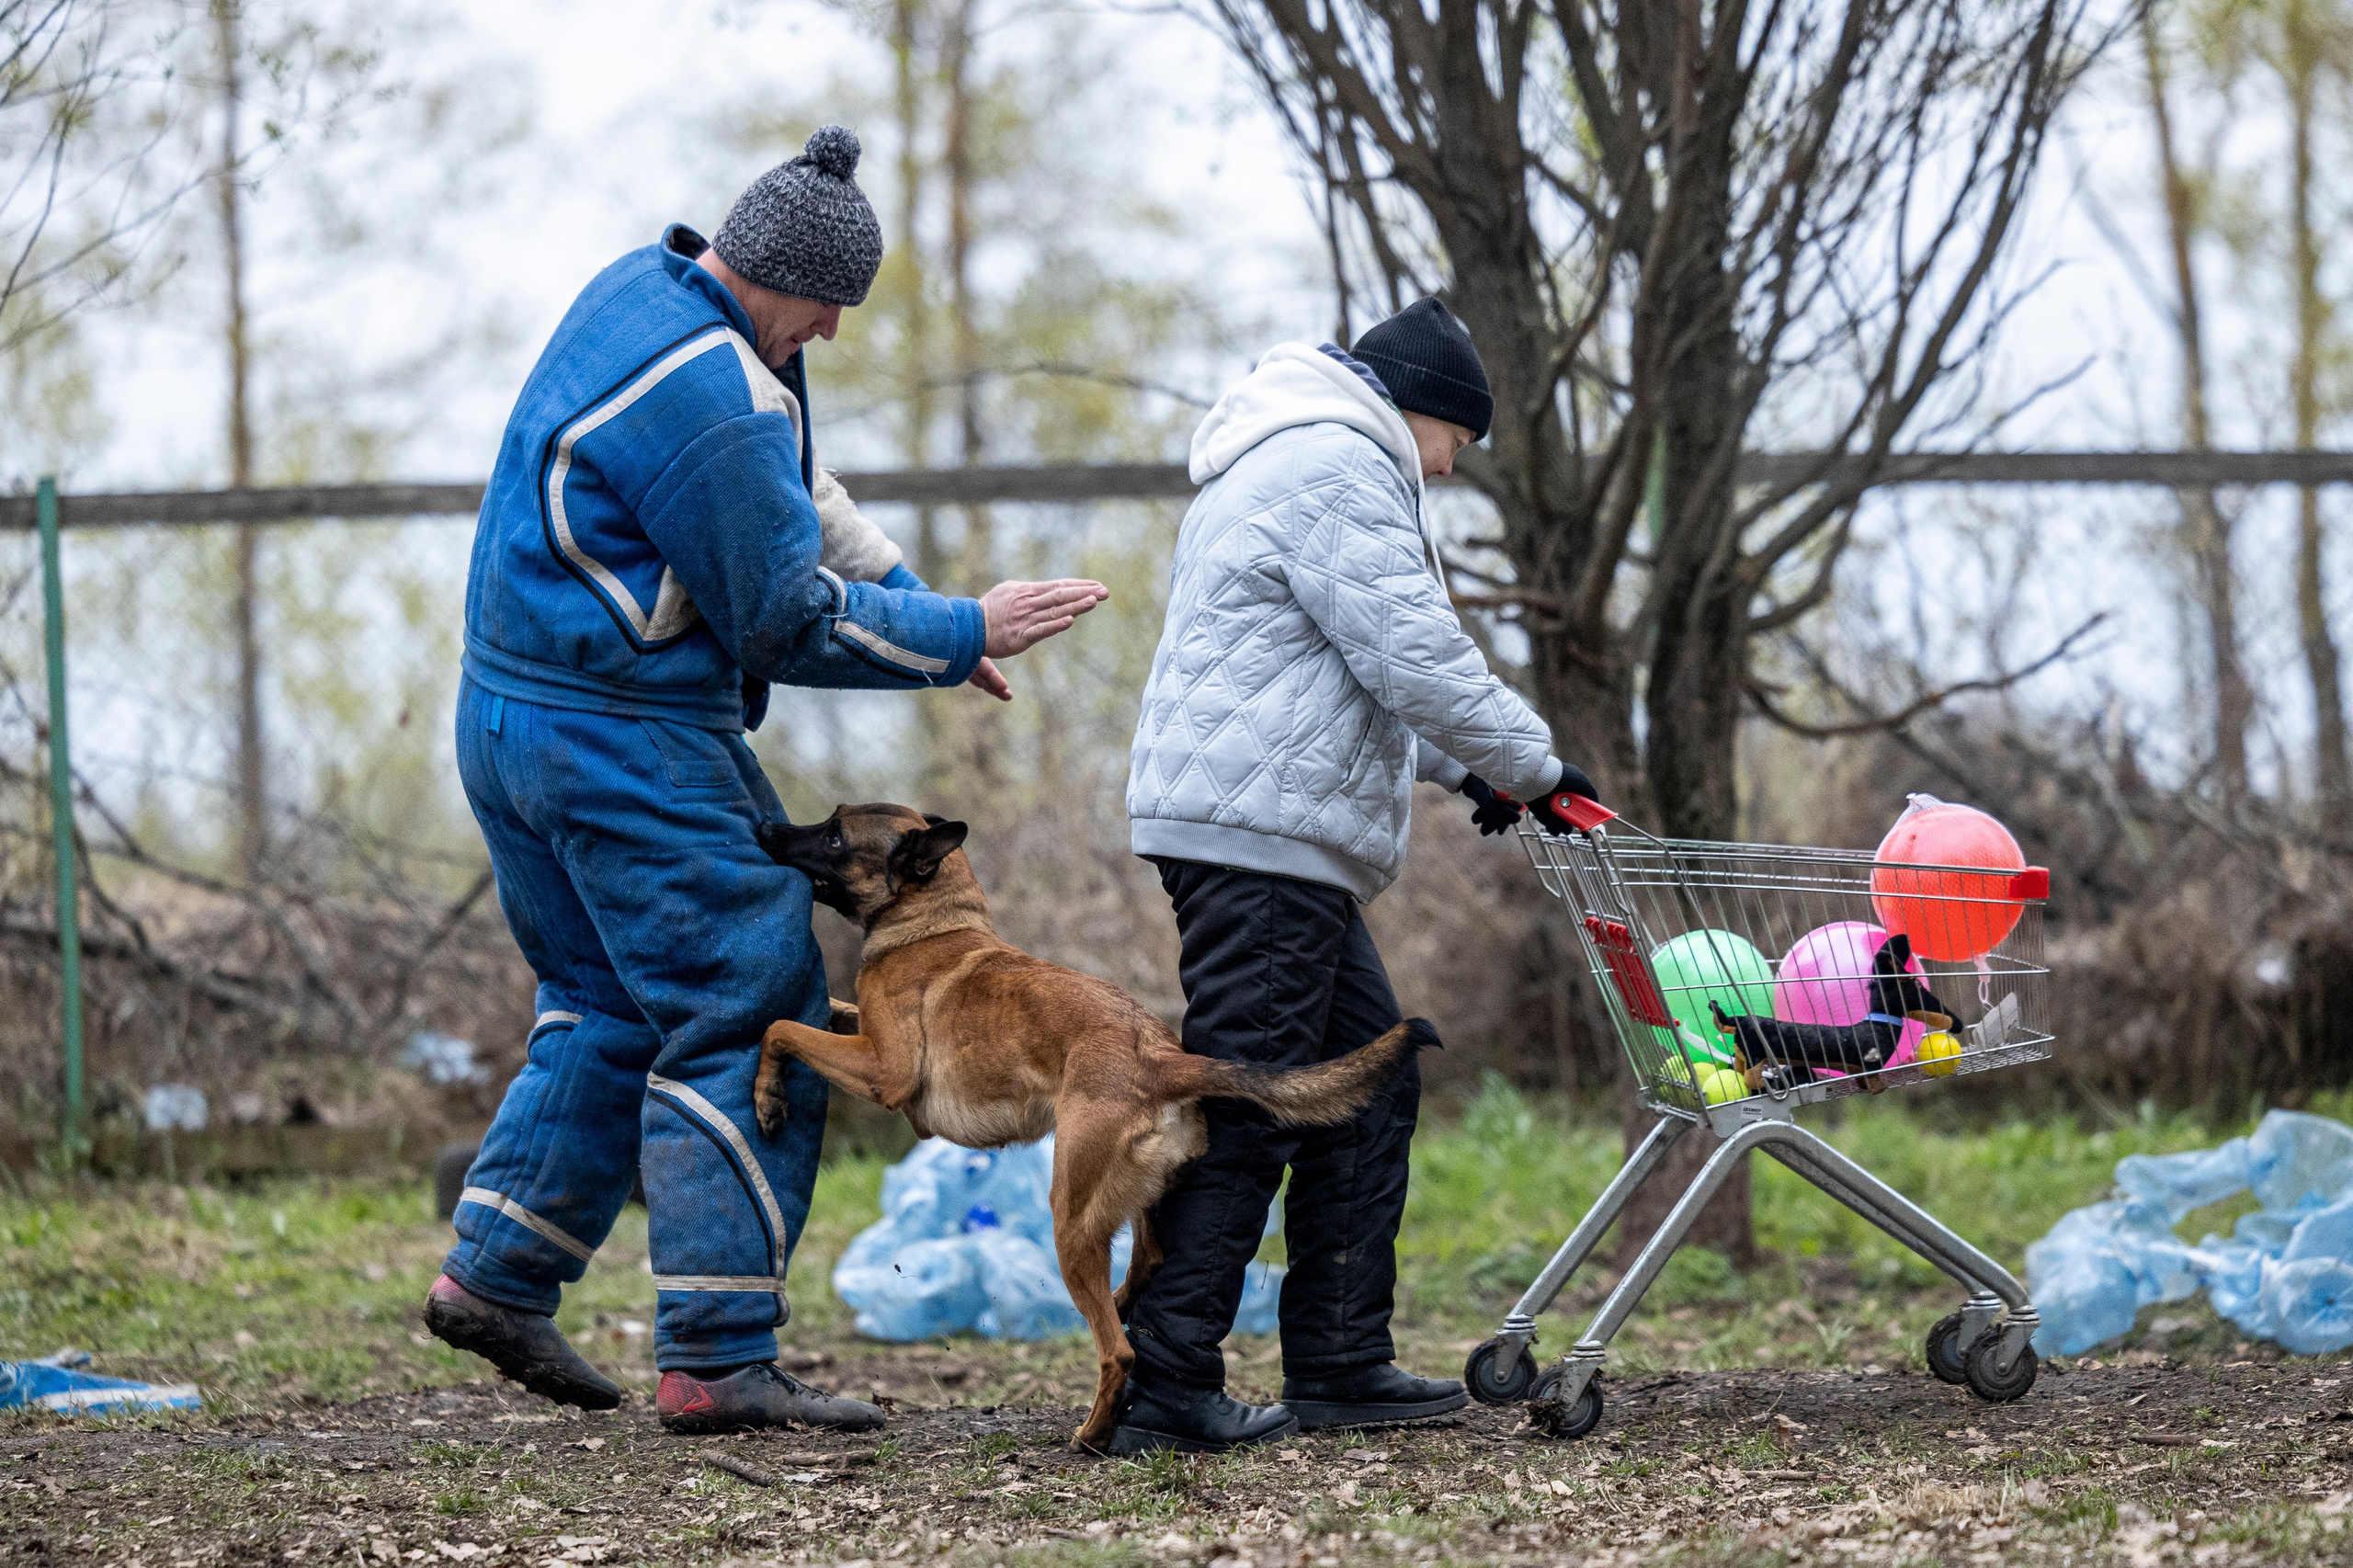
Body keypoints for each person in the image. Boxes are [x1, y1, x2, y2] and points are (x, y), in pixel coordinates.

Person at [424, 125, 1107, 1435]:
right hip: (620, 738)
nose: (834, 336)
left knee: (610, 996)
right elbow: (781, 616)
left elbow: (794, 483)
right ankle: (719, 1355)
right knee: (756, 1001)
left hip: (511, 716)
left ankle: (496, 1273)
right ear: (779, 278)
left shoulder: (647, 295)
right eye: (831, 310)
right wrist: (967, 629)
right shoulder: (714, 395)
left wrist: (917, 608)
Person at [1119, 298, 1593, 1453]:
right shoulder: (1334, 457)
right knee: (1259, 1095)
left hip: (1266, 830)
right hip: (1258, 840)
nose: (1451, 464)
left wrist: (1467, 774)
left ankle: (1336, 1356)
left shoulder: (1301, 451)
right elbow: (1413, 650)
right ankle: (1161, 1383)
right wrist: (1528, 763)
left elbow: (1339, 673)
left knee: (1368, 1080)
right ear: (1423, 408)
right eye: (1457, 442)